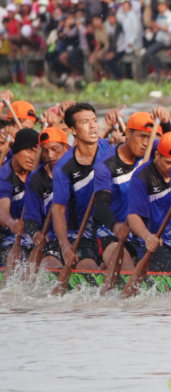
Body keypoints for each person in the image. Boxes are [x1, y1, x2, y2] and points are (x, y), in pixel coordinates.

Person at [94, 111, 162, 276]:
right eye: (142, 136)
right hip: (110, 231)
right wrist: (116, 226)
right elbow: (100, 205)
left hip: (139, 232)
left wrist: (166, 122)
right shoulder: (105, 165)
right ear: (128, 134)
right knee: (128, 271)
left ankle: (104, 271)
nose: (146, 143)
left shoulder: (152, 151)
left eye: (149, 138)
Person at [52, 104, 113, 272]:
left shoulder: (112, 149)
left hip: (110, 228)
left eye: (94, 120)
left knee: (123, 263)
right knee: (89, 269)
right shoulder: (63, 168)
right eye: (85, 122)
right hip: (80, 233)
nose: (93, 126)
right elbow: (58, 209)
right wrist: (64, 246)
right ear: (72, 130)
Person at [128, 132, 171, 272]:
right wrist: (148, 237)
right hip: (153, 242)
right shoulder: (142, 177)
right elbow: (133, 216)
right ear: (158, 155)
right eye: (168, 163)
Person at [23, 128, 70, 270]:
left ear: (66, 148)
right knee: (49, 263)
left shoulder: (79, 171)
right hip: (52, 236)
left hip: (81, 233)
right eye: (45, 151)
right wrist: (36, 234)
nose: (50, 156)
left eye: (55, 149)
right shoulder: (36, 179)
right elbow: (31, 216)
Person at [0, 129, 39, 266]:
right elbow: (2, 209)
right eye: (29, 150)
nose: (33, 157)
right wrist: (12, 223)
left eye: (36, 151)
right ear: (16, 150)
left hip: (37, 234)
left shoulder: (41, 170)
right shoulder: (4, 176)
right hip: (9, 237)